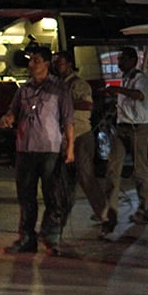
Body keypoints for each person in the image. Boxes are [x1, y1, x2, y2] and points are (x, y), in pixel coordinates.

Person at [0, 46, 74, 255]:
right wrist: (7, 119)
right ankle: (26, 238)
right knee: (26, 196)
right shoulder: (23, 90)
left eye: (36, 61)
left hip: (49, 149)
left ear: (47, 64)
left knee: (52, 195)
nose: (31, 64)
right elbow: (13, 112)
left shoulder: (59, 89)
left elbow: (68, 120)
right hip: (25, 148)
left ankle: (52, 239)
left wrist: (71, 148)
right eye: (30, 60)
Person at [101, 46, 148, 234]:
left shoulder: (139, 78)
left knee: (139, 170)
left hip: (137, 129)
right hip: (122, 127)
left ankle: (144, 208)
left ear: (133, 60)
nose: (119, 62)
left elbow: (138, 95)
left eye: (122, 59)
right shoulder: (126, 78)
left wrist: (118, 90)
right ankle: (110, 212)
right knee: (112, 169)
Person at [52, 51, 105, 223]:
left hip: (81, 134)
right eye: (55, 63)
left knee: (86, 177)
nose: (56, 66)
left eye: (59, 62)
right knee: (65, 181)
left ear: (68, 64)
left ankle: (103, 213)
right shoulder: (59, 84)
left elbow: (88, 104)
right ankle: (61, 216)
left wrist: (65, 105)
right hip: (66, 137)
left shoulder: (78, 84)